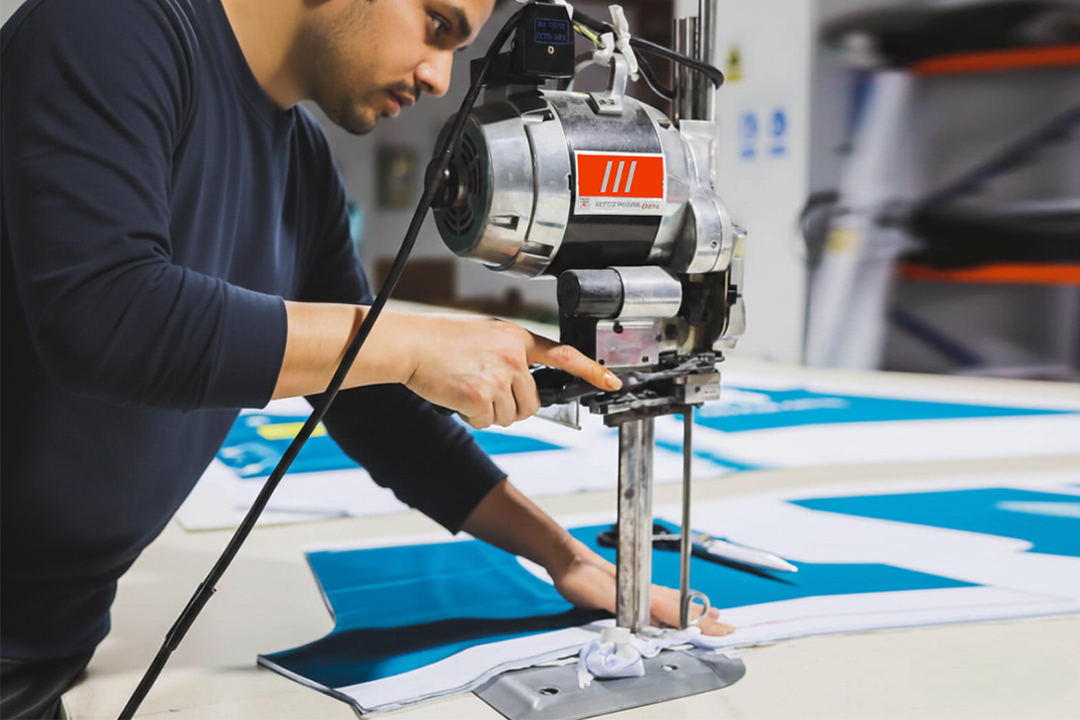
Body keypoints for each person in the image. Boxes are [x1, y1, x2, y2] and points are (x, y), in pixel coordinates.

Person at [0, 0, 733, 716]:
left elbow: (375, 408)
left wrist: (562, 555)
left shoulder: (300, 162)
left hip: (52, 642)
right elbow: (108, 316)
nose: (440, 78)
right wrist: (414, 344)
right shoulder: (105, 26)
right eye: (436, 26)